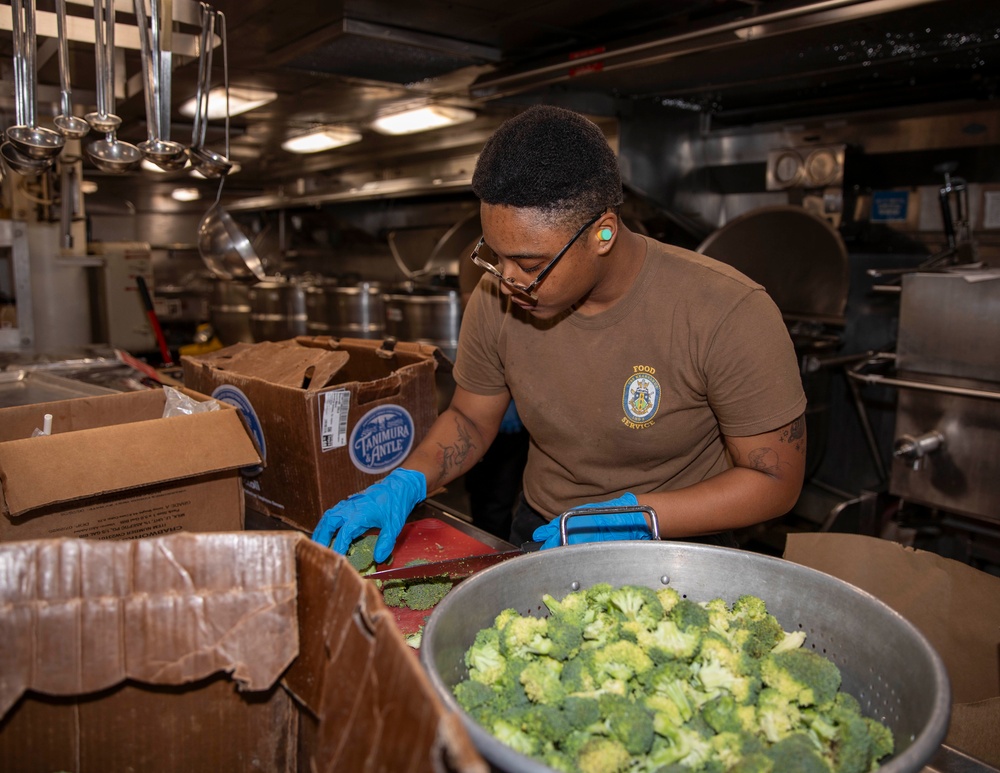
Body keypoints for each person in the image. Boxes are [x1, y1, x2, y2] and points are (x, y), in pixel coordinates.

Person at [312, 104, 807, 563]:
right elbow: (469, 419)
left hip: (676, 538)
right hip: (543, 525)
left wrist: (637, 517)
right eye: (495, 256)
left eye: (529, 265)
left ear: (603, 233)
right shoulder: (496, 296)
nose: (507, 280)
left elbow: (774, 480)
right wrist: (406, 481)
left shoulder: (726, 310)